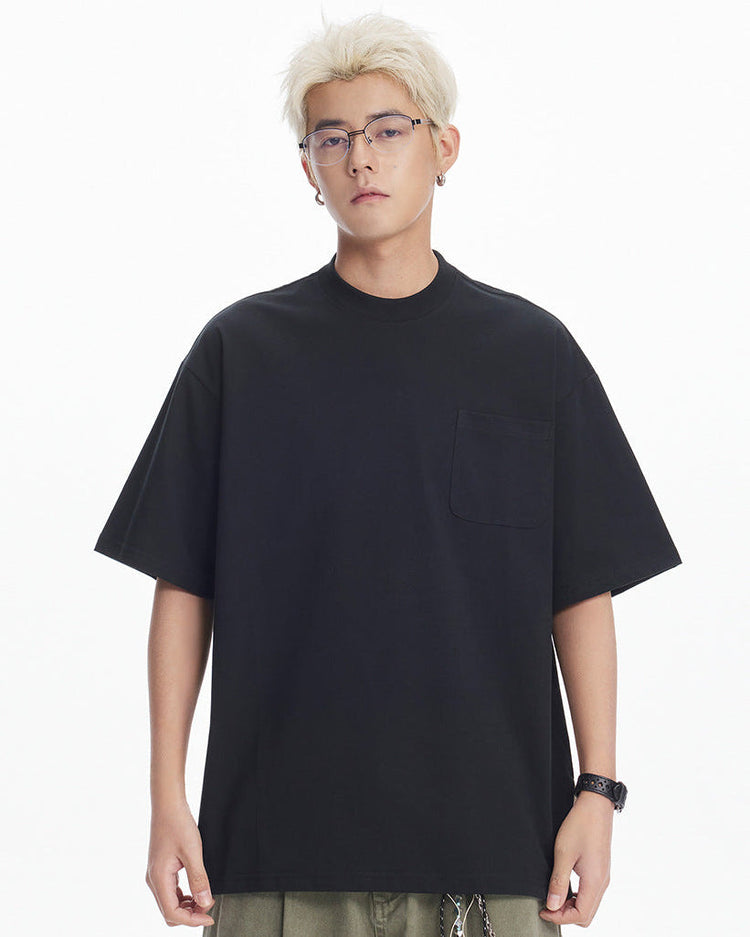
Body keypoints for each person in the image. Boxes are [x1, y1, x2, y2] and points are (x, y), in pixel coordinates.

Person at [93, 11, 682, 937]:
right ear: (308, 168)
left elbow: (581, 587)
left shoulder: (530, 354)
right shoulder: (241, 354)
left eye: (387, 130)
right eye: (332, 138)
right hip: (277, 855)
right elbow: (183, 583)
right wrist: (167, 796)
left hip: (493, 856)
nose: (360, 158)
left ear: (444, 147)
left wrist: (597, 791)